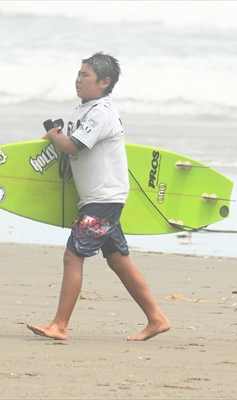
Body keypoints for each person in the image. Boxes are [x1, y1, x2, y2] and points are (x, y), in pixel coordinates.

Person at [26, 52, 170, 341]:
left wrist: (54, 134)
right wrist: (54, 137)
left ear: (104, 82)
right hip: (100, 198)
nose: (78, 80)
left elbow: (71, 146)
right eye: (78, 74)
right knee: (117, 260)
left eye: (85, 75)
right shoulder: (85, 109)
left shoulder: (102, 113)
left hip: (102, 199)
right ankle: (157, 319)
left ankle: (60, 325)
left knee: (73, 255)